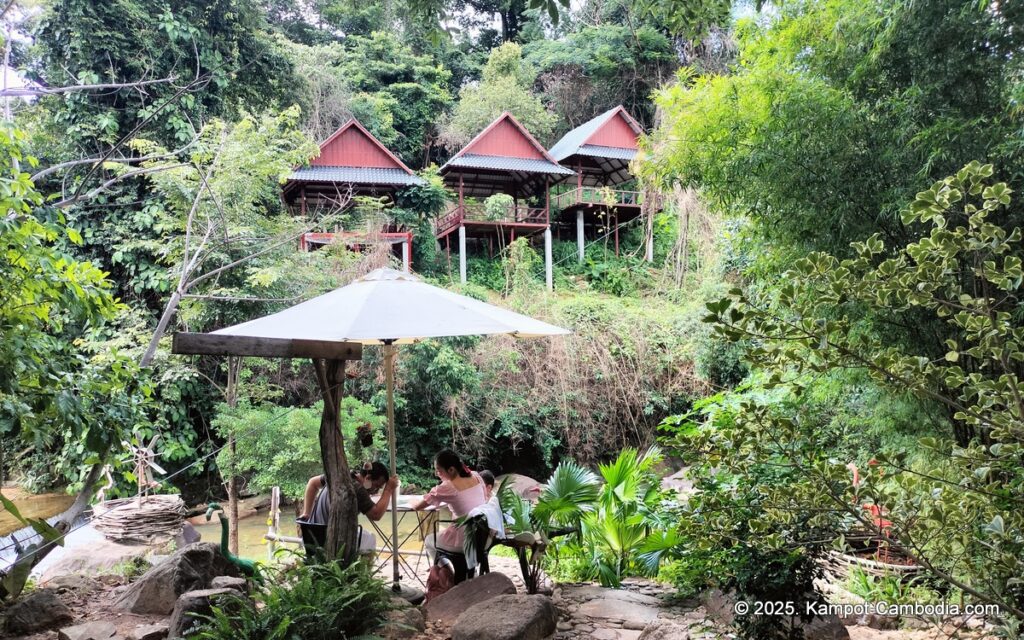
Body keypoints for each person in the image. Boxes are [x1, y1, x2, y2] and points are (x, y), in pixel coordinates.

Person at [412, 449, 487, 564]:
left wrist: (413, 502)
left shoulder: (449, 487)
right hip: (483, 536)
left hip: (464, 540)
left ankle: (445, 570)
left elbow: (418, 506)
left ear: (451, 469)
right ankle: (467, 571)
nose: (437, 474)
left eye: (439, 471)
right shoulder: (477, 476)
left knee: (428, 540)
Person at [299, 461, 399, 525]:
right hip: (328, 537)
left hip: (313, 530)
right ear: (368, 478)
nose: (376, 491)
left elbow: (312, 483)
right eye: (376, 486)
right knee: (369, 543)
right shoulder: (358, 488)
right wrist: (388, 489)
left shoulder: (342, 475)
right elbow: (376, 515)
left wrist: (306, 513)